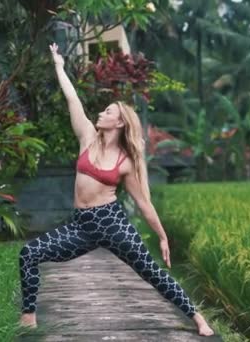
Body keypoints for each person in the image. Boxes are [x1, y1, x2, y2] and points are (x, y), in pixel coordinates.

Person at [17, 42, 215, 337]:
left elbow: (144, 203)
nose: (101, 113)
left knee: (151, 272)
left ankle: (197, 318)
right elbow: (72, 99)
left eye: (108, 111)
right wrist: (59, 66)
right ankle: (29, 316)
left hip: (112, 223)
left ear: (120, 122)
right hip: (81, 225)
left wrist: (161, 237)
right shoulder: (86, 136)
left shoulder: (126, 162)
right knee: (29, 253)